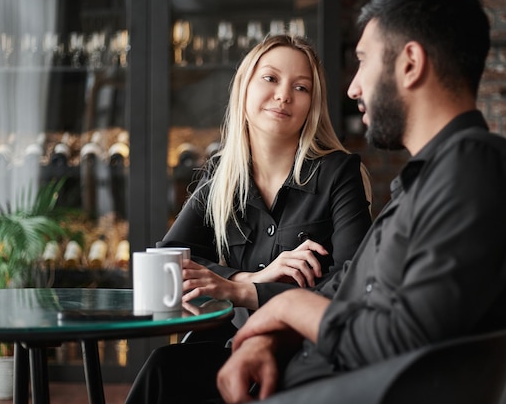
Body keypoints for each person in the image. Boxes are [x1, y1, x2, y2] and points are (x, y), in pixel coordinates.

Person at [125, 0, 506, 403]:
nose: (353, 89)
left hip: (324, 387)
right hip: (300, 371)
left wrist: (283, 308)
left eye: (362, 61)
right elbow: (349, 288)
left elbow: (401, 337)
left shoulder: (476, 169)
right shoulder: (427, 182)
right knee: (166, 372)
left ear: (410, 64)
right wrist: (266, 340)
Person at [156, 34, 372, 325]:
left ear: (312, 105)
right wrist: (249, 279)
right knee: (162, 367)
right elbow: (166, 264)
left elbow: (353, 282)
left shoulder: (339, 173)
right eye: (270, 78)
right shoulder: (221, 174)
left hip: (303, 347)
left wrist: (244, 292)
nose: (284, 95)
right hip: (230, 341)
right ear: (244, 87)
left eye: (301, 87)